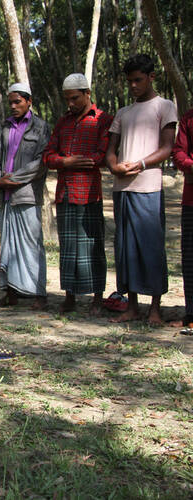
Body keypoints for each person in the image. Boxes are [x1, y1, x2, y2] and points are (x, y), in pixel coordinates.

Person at [105, 54, 177, 326]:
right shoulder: (124, 112)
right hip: (123, 189)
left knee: (151, 247)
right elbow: (111, 151)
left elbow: (168, 147)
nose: (133, 85)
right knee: (126, 248)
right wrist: (114, 167)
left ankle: (155, 308)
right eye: (129, 81)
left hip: (149, 188)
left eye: (138, 80)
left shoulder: (165, 106)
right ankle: (132, 306)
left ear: (151, 77)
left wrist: (141, 163)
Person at [43, 73, 113, 314]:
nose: (70, 104)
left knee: (93, 245)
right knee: (68, 247)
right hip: (65, 194)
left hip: (90, 194)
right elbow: (48, 156)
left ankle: (97, 298)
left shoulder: (103, 120)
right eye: (67, 100)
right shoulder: (63, 122)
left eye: (75, 98)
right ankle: (69, 296)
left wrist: (69, 162)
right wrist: (67, 161)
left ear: (87, 93)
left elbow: (102, 156)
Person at [0, 83, 50, 310]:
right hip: (5, 196)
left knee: (32, 245)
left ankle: (39, 296)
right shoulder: (3, 128)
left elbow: (42, 163)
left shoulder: (41, 127)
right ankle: (10, 294)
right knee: (7, 246)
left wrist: (13, 179)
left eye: (18, 102)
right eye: (10, 102)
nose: (13, 106)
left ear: (29, 101)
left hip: (27, 196)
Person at [173, 106, 193, 328]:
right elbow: (179, 152)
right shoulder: (189, 118)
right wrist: (190, 165)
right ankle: (191, 313)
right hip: (191, 198)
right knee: (190, 257)